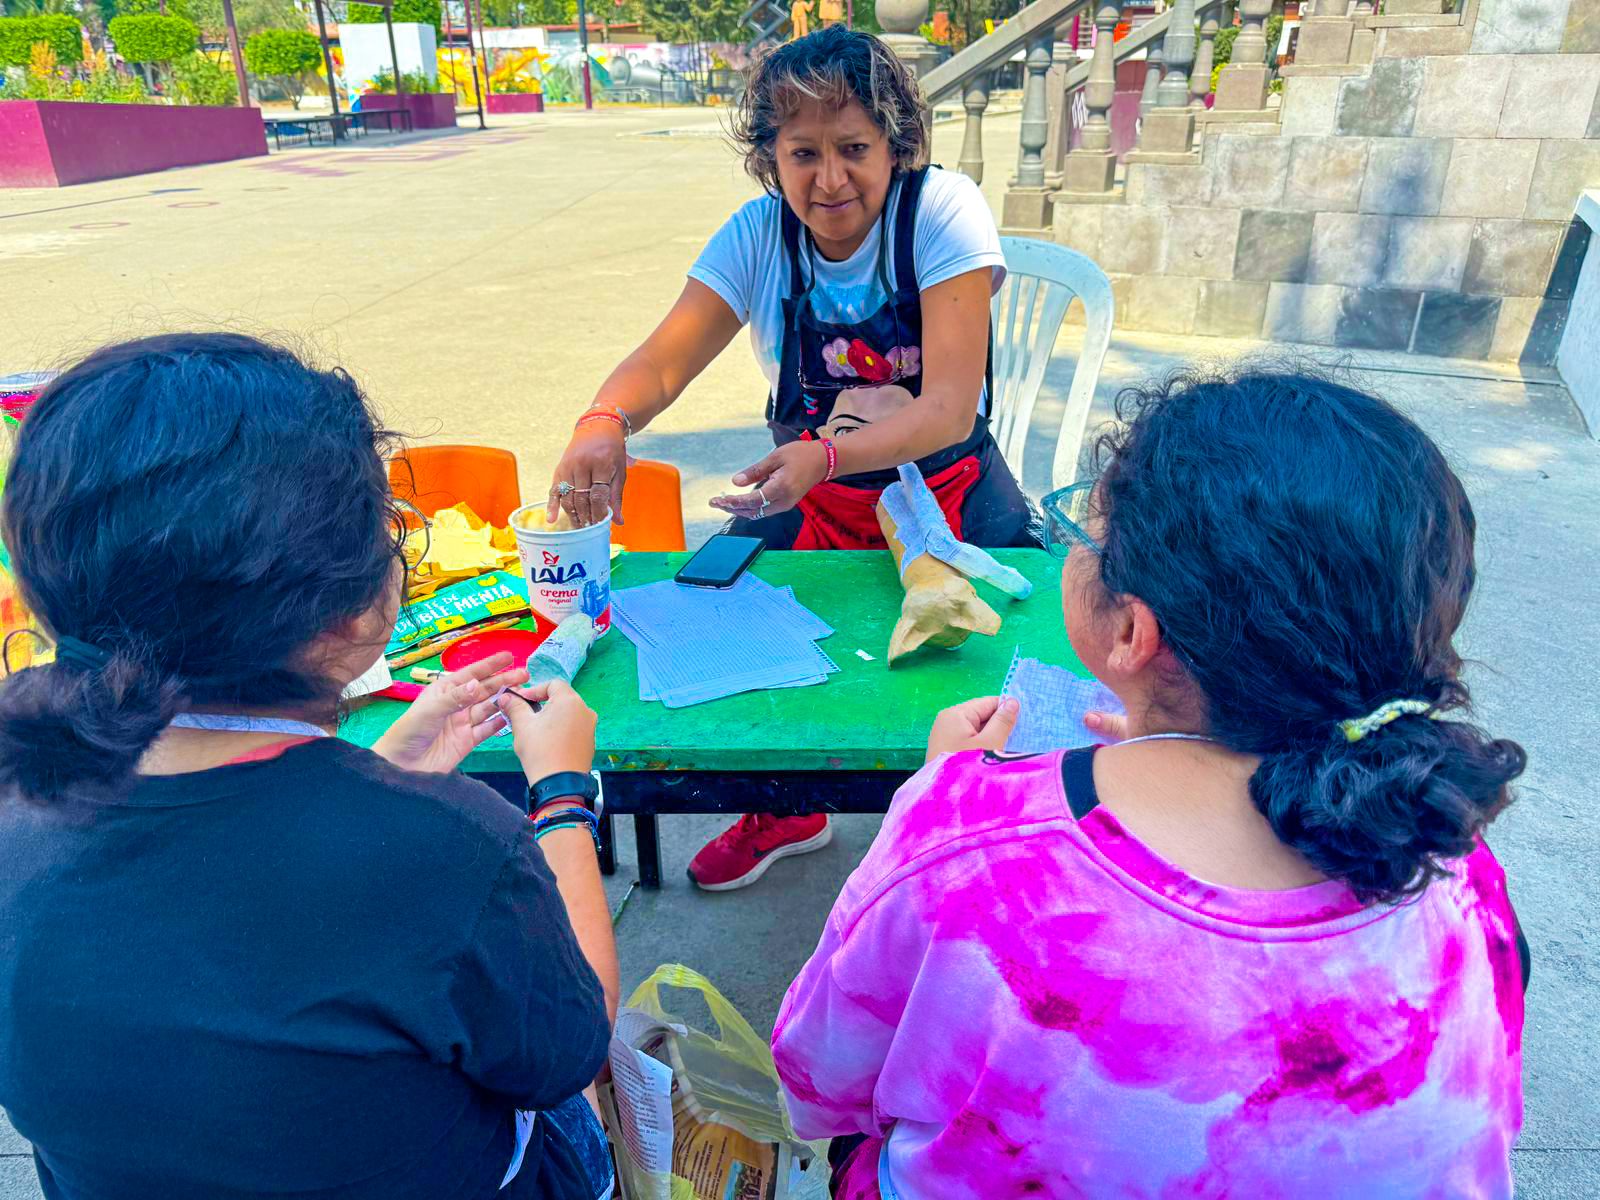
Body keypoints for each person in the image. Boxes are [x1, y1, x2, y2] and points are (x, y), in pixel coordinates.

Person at [770, 368, 1529, 1198]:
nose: (1075, 549)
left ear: (1132, 631)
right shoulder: (1451, 856)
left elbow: (815, 1086)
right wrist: (1172, 738)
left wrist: (938, 793)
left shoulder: (968, 833)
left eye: (1085, 538)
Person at [0, 334, 618, 1200]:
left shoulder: (20, 803)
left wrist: (383, 775)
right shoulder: (455, 851)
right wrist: (560, 798)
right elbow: (571, 1045)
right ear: (357, 611)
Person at [547, 27, 1033, 890]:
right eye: (803, 152)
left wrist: (824, 451)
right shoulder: (758, 235)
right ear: (770, 156)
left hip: (950, 492)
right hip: (814, 492)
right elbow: (663, 362)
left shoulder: (942, 212)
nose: (830, 179)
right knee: (724, 627)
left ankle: (971, 834)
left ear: (897, 147)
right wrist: (602, 420)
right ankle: (786, 806)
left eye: (854, 149)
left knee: (995, 664)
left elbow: (947, 408)